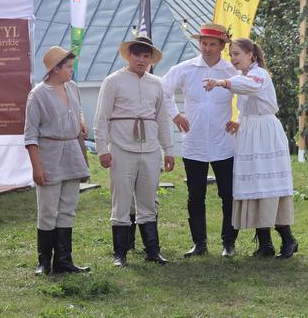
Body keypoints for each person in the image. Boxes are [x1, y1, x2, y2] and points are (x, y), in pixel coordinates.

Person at [203, 38, 298, 259]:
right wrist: (240, 121)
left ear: (251, 55)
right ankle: (265, 243)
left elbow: (251, 86)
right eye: (231, 54)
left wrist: (221, 82)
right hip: (250, 131)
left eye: (237, 54)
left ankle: (288, 239)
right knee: (255, 183)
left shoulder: (259, 74)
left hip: (264, 133)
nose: (233, 58)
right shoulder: (244, 76)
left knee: (268, 184)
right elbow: (248, 99)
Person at [161, 23, 240, 258]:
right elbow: (163, 90)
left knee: (228, 194)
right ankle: (200, 243)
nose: (206, 48)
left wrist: (240, 119)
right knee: (195, 195)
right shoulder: (185, 69)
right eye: (203, 43)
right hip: (193, 143)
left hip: (224, 142)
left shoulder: (231, 72)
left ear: (222, 46)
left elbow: (249, 95)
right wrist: (175, 114)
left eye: (212, 44)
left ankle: (229, 243)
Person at [94, 35, 175, 267]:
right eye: (137, 54)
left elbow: (161, 119)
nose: (141, 59)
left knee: (148, 200)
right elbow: (101, 118)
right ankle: (120, 253)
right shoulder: (113, 81)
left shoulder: (156, 83)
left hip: (150, 149)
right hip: (121, 148)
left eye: (146, 55)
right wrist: (102, 149)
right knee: (121, 200)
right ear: (129, 56)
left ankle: (152, 250)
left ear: (151, 59)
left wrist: (168, 150)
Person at [24, 46, 91, 275]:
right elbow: (30, 134)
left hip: (71, 152)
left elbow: (77, 109)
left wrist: (81, 120)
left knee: (67, 209)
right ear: (55, 69)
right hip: (49, 155)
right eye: (69, 67)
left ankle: (64, 260)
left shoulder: (72, 87)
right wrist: (37, 166)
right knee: (47, 209)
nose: (72, 71)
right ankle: (44, 262)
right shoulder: (38, 94)